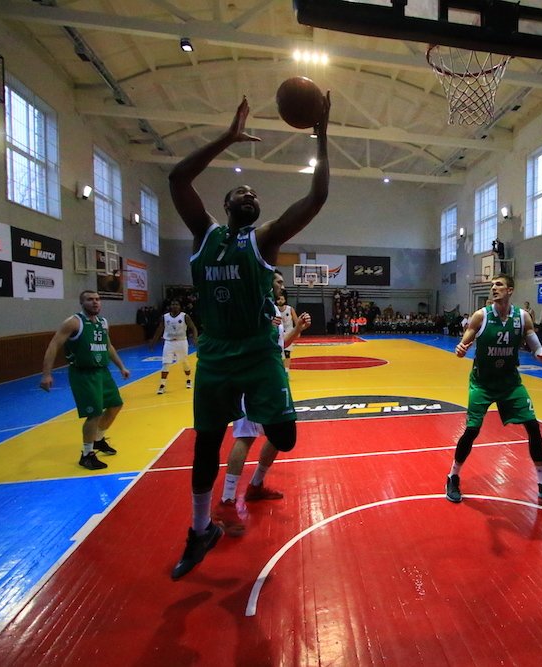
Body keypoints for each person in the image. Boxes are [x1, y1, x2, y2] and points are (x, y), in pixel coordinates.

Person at [167, 92, 330, 580]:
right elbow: (177, 179)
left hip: (260, 355)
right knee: (205, 445)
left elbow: (316, 197)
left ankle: (257, 419)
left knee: (286, 437)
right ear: (225, 205)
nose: (250, 195)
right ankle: (200, 531)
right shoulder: (204, 234)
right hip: (216, 357)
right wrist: (227, 138)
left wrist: (322, 136)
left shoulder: (264, 239)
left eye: (255, 194)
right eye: (242, 191)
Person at [444, 274, 542, 508]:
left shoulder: (522, 317)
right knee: (472, 430)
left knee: (533, 427)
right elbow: (466, 339)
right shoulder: (481, 316)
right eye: (492, 285)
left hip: (510, 383)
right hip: (482, 383)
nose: (494, 288)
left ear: (510, 290)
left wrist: (541, 353)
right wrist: (461, 347)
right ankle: (453, 476)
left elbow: (534, 342)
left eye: (498, 285)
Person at [212, 272, 313, 536]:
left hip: (271, 380)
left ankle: (255, 485)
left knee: (280, 434)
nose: (282, 286)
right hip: (251, 378)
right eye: (278, 281)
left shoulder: (273, 309)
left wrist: (297, 330)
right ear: (265, 282)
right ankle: (226, 501)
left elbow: (279, 345)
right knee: (245, 435)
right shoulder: (250, 306)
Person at [39, 290, 131, 470]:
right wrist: (46, 374)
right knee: (94, 413)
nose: (95, 302)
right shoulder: (74, 322)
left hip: (102, 372)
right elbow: (54, 344)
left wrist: (121, 366)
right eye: (90, 299)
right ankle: (86, 455)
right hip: (83, 374)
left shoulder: (103, 322)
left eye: (97, 299)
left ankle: (98, 439)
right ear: (82, 303)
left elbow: (108, 346)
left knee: (115, 405)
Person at [150, 300, 199, 394]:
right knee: (166, 364)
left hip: (181, 342)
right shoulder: (165, 317)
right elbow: (159, 329)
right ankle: (162, 385)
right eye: (173, 304)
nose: (175, 306)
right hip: (169, 342)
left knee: (184, 362)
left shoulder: (185, 316)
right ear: (170, 306)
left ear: (180, 306)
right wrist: (153, 341)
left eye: (177, 304)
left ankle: (188, 379)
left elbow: (193, 328)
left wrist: (195, 338)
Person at [276, 292, 299, 373]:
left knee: (287, 352)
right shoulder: (275, 309)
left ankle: (286, 370)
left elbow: (296, 321)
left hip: (289, 332)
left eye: (282, 299)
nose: (280, 301)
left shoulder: (290, 309)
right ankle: (280, 369)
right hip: (279, 333)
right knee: (279, 353)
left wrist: (298, 331)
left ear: (285, 300)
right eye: (278, 299)